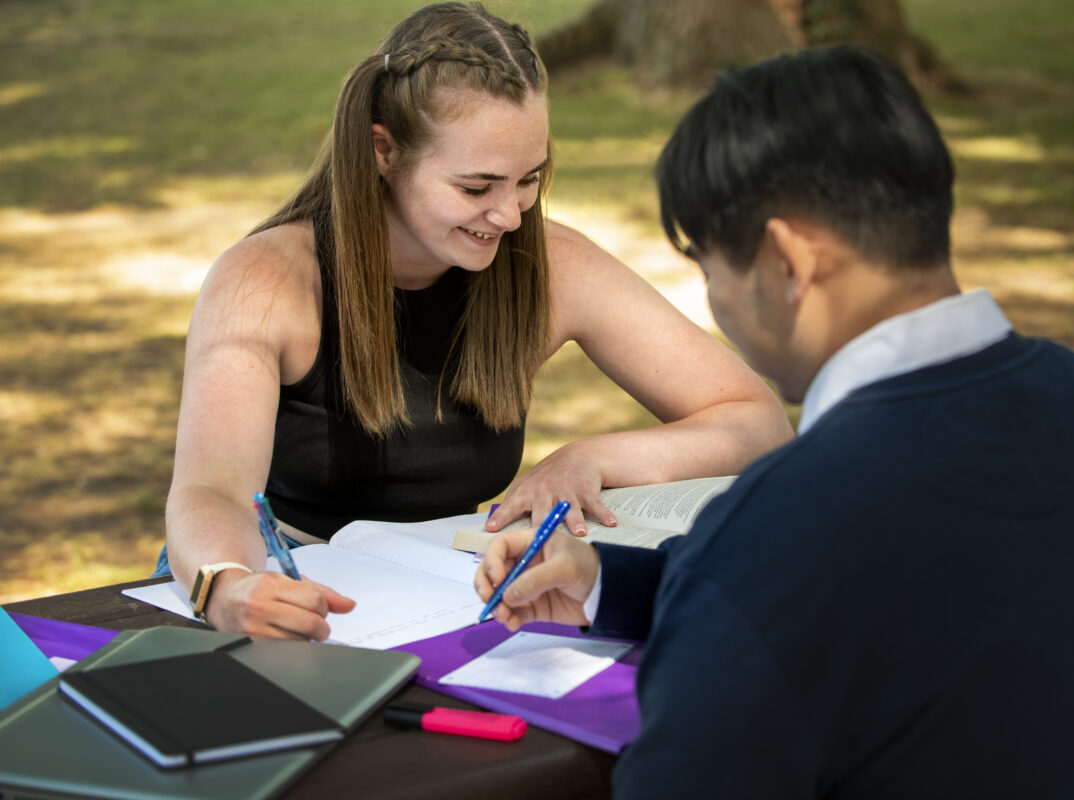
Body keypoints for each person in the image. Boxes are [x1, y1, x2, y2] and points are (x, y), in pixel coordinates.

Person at [475, 45, 1074, 797]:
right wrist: (605, 582)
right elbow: (927, 593)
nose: (715, 303)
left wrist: (720, 582)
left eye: (707, 266)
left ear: (786, 261)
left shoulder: (790, 525)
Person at [162, 2, 792, 640]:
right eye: (476, 187)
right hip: (275, 584)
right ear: (384, 151)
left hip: (449, 593)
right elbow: (210, 491)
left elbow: (754, 419)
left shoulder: (547, 263)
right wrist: (229, 585)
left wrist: (590, 457)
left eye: (529, 180)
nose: (512, 217)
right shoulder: (267, 281)